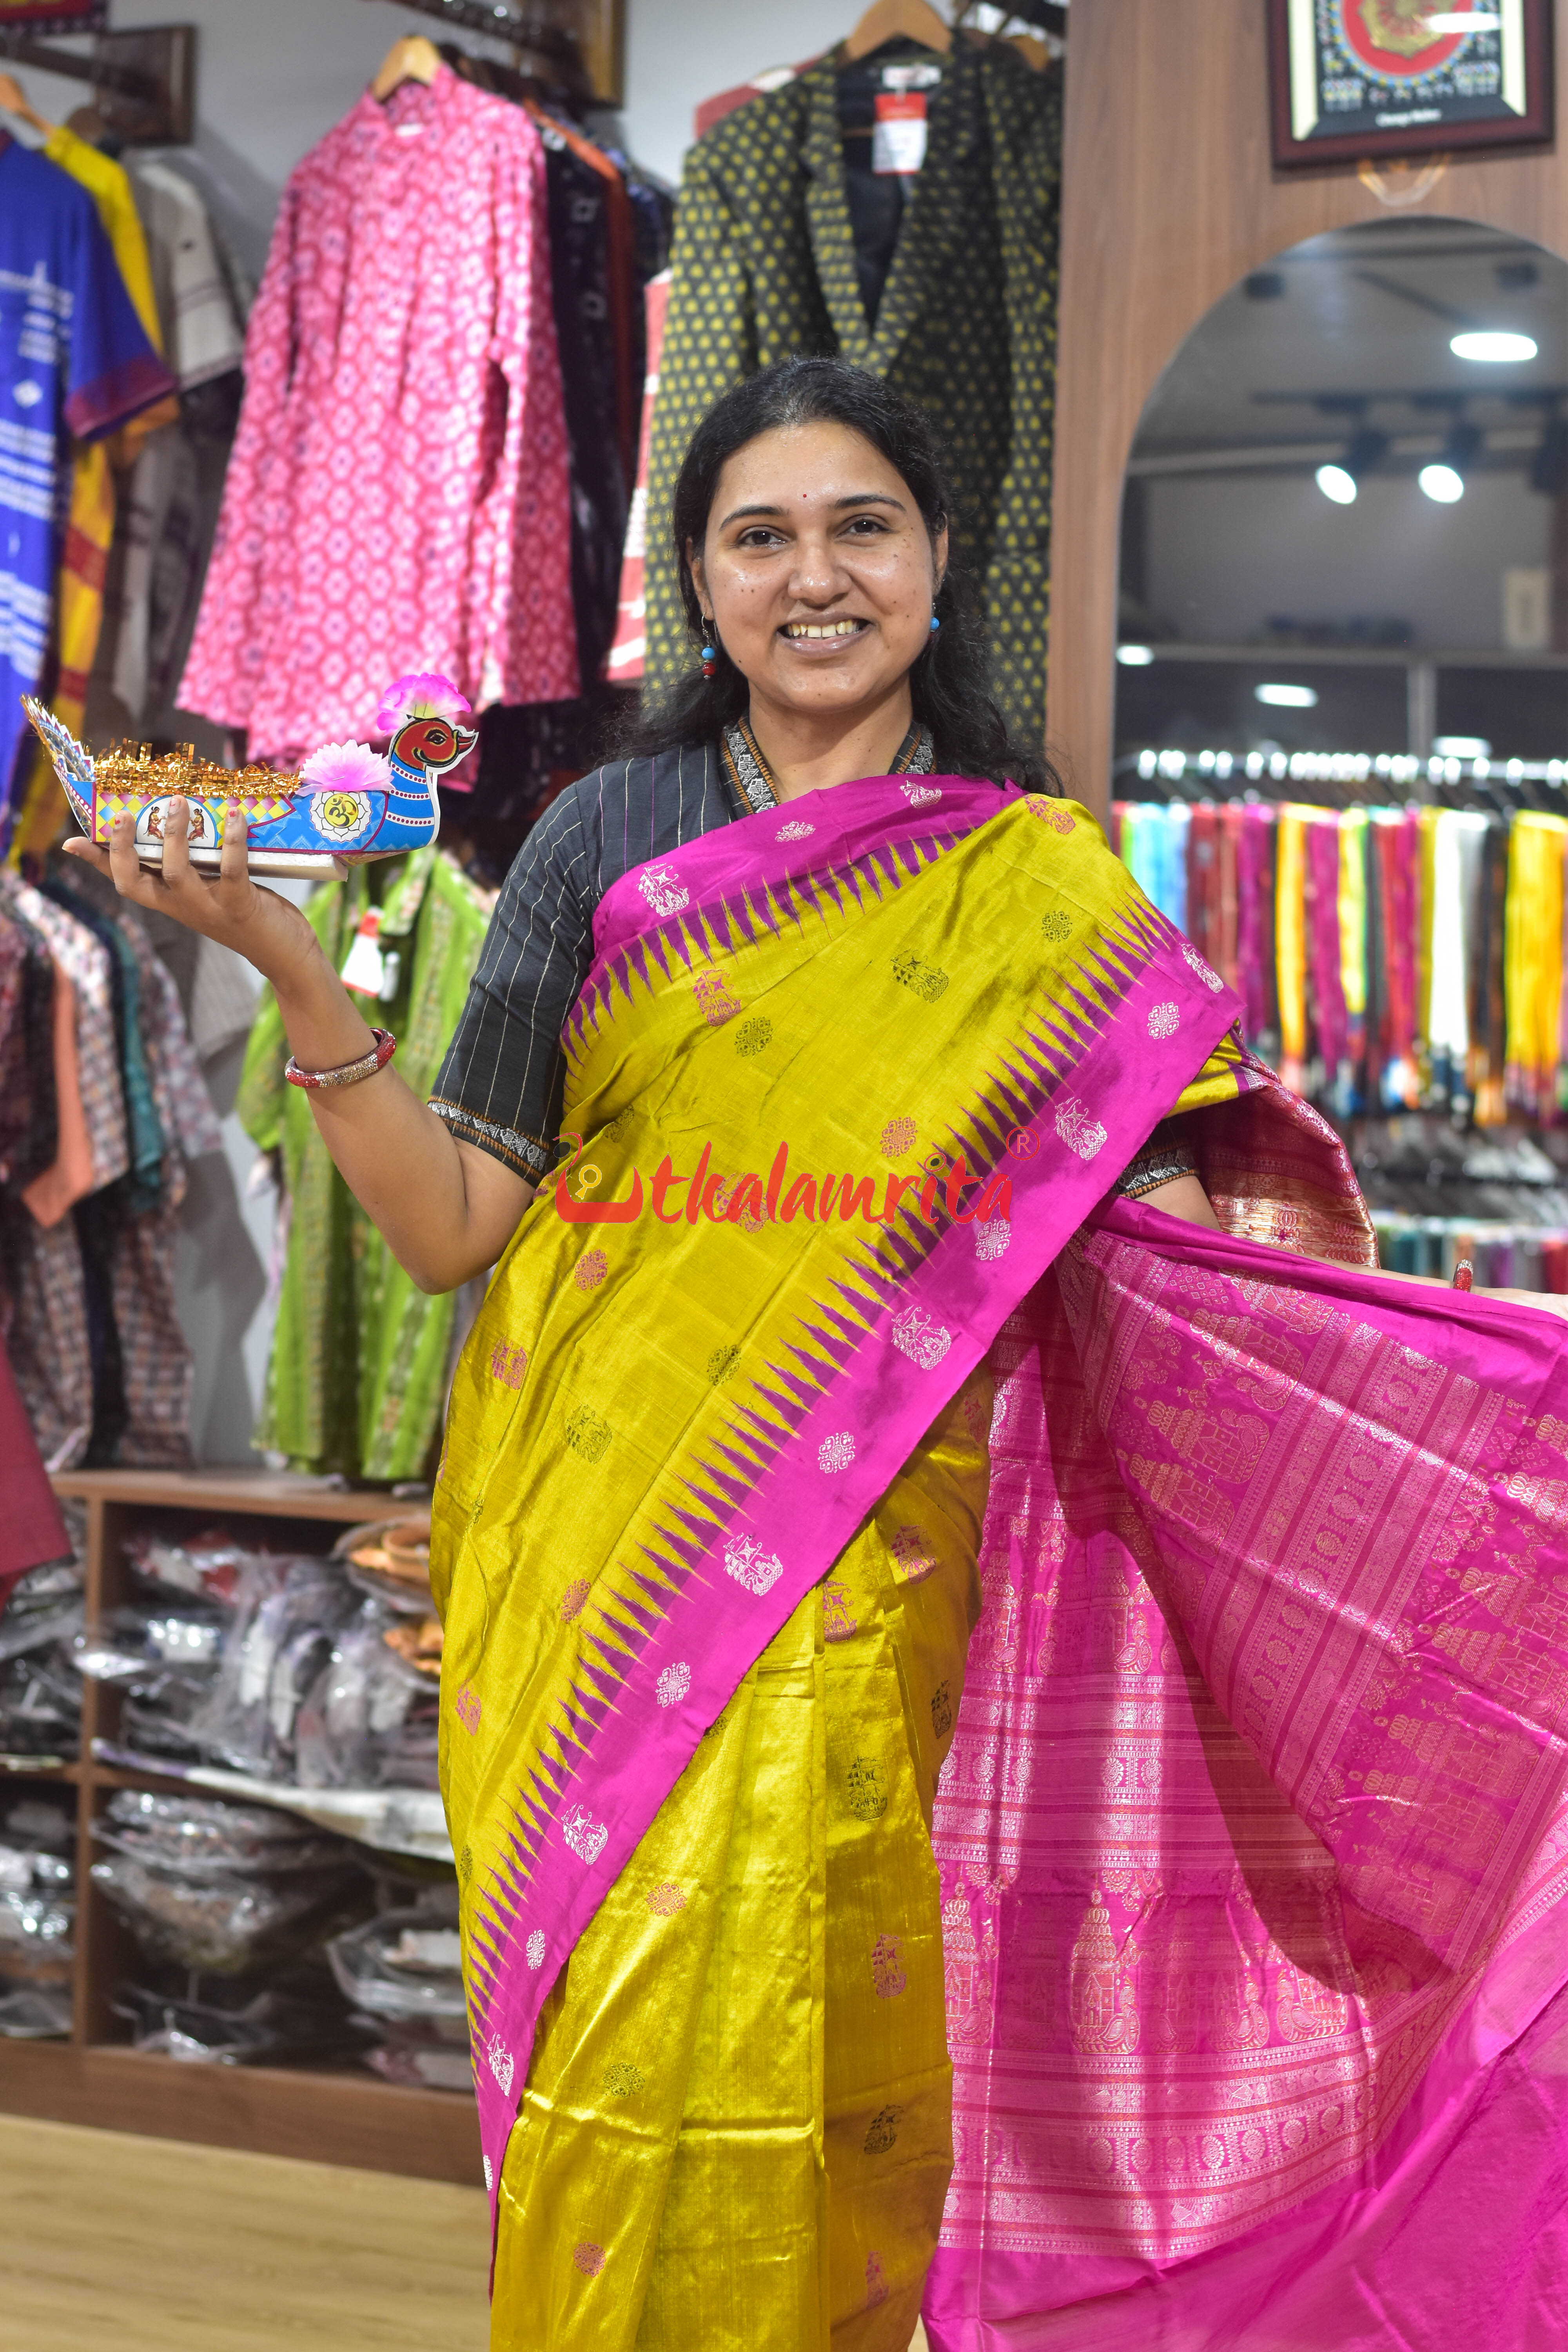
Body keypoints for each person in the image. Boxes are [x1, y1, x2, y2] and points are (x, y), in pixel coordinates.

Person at [72, 358, 1568, 2352]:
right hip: (590, 1550)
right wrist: (277, 963)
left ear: (940, 562)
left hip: (876, 1567)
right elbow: (453, 1225)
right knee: (617, 2032)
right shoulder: (606, 831)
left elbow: (1177, 1240)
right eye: (757, 539)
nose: (814, 579)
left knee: (834, 2022)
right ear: (700, 584)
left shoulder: (1034, 885)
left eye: (860, 527)